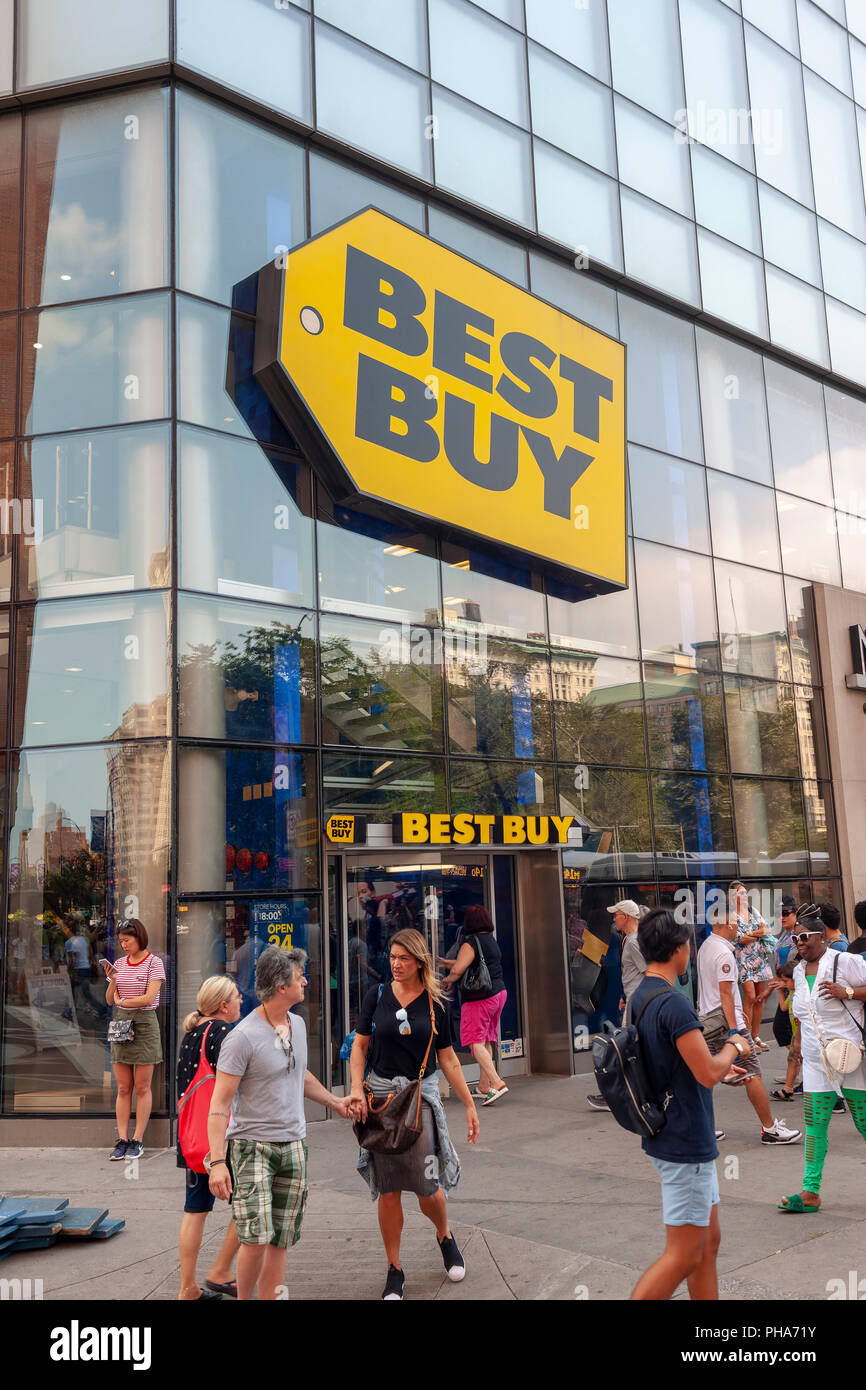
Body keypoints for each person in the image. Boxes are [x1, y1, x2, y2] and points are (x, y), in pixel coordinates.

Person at [205, 946, 351, 1301]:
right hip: (252, 1147)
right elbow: (219, 1104)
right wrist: (218, 1163)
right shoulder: (241, 1037)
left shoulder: (297, 1024)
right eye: (300, 975)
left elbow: (299, 1076)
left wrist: (336, 1101)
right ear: (281, 986)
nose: (305, 981)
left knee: (282, 1236)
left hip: (294, 1145)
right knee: (254, 1237)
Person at [348, 928, 480, 1301]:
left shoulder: (437, 1004)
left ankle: (444, 1234)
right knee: (389, 1189)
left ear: (420, 961)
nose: (395, 963)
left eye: (403, 958)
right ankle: (394, 1268)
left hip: (420, 1099)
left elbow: (449, 1060)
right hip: (382, 1100)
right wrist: (357, 1088)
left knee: (426, 1186)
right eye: (392, 956)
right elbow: (359, 1047)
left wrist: (469, 1104)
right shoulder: (378, 995)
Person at [629, 909, 752, 1301]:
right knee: (684, 1254)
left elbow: (677, 1062)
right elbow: (708, 1073)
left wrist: (717, 1068)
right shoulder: (675, 1004)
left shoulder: (641, 996)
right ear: (680, 950)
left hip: (669, 1129)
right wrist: (736, 1044)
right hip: (685, 1139)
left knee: (708, 1243)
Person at [778, 907, 866, 1213]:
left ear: (820, 935)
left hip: (849, 1060)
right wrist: (799, 1043)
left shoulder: (846, 961)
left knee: (864, 1124)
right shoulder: (799, 971)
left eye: (804, 937)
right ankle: (810, 1192)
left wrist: (849, 991)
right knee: (814, 1126)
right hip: (817, 1063)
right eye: (795, 937)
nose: (799, 942)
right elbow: (805, 1014)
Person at [697, 907, 801, 1146]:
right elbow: (725, 993)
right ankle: (770, 1129)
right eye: (735, 922)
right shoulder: (723, 953)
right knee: (753, 1073)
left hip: (710, 1020)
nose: (738, 926)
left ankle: (702, 1129)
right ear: (726, 924)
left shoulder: (706, 946)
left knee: (706, 1076)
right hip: (726, 1022)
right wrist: (735, 1030)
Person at [176, 976, 243, 1301]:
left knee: (195, 1210)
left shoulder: (191, 1034)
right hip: (221, 1139)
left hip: (193, 1139)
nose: (241, 1002)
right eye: (236, 997)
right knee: (251, 1203)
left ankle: (187, 1287)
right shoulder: (224, 1034)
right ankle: (221, 1270)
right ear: (223, 1005)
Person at [102, 919, 166, 1161]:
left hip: (145, 1023)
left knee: (142, 1086)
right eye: (121, 941)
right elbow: (110, 999)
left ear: (140, 938)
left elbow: (150, 998)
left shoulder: (154, 963)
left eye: (127, 940)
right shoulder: (118, 963)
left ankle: (138, 1139)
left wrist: (124, 1001)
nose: (124, 945)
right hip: (121, 1022)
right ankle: (122, 1139)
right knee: (123, 1086)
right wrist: (114, 980)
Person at [440, 905, 508, 1106]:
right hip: (498, 993)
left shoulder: (470, 943)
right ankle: (484, 1086)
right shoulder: (490, 941)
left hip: (480, 998)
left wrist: (445, 982)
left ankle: (497, 1083)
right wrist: (445, 962)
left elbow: (460, 968)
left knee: (474, 1041)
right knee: (486, 1039)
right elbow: (469, 962)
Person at [587, 900, 647, 1111]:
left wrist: (635, 998)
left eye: (617, 915)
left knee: (622, 1049)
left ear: (627, 917)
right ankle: (621, 1094)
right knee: (630, 1050)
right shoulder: (629, 940)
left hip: (636, 1003)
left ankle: (613, 1095)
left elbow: (648, 971)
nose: (614, 919)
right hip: (633, 1000)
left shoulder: (633, 942)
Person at [729, 881, 774, 1052]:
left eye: (745, 892)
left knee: (760, 998)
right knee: (750, 997)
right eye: (740, 893)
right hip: (744, 960)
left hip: (759, 957)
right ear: (734, 897)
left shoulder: (753, 911)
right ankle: (747, 1037)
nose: (744, 896)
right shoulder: (732, 915)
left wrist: (751, 935)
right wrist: (756, 934)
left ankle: (755, 1036)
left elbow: (766, 931)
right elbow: (737, 938)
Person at [768, 960, 801, 1103]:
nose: (784, 983)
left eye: (786, 981)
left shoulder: (801, 993)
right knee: (793, 1061)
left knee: (798, 1061)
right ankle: (788, 1089)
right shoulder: (793, 992)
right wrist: (781, 990)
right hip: (797, 1034)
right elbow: (783, 1007)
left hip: (803, 1033)